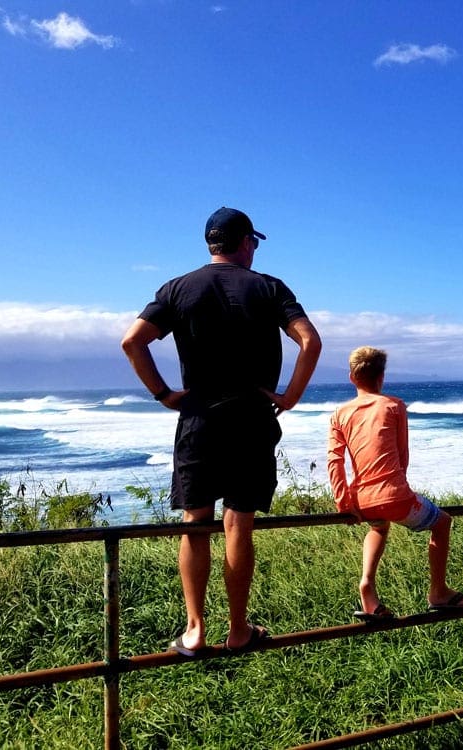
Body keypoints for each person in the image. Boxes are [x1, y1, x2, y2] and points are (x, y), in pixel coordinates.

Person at [121, 206, 321, 656]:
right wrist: (289, 396)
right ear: (246, 241)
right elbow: (310, 340)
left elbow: (132, 341)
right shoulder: (269, 287)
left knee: (195, 523)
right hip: (252, 418)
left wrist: (164, 394)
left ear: (212, 244)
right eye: (253, 242)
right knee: (239, 524)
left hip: (198, 418)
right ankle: (237, 628)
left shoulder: (177, 288)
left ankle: (194, 630)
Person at [327, 346, 463, 620]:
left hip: (360, 500)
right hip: (394, 496)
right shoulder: (394, 406)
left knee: (378, 527)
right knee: (442, 523)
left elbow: (334, 460)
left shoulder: (339, 413)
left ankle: (367, 586)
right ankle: (438, 592)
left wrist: (343, 502)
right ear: (382, 377)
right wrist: (398, 491)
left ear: (351, 377)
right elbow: (403, 456)